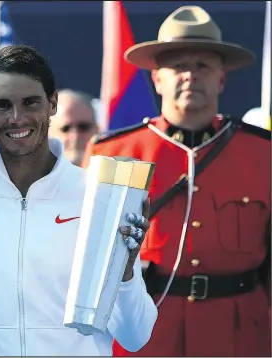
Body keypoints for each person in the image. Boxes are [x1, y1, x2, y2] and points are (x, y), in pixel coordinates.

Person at [0, 45, 158, 356]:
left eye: (30, 102)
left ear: (52, 103)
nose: (17, 118)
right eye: (2, 105)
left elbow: (136, 336)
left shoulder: (95, 195)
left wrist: (126, 272)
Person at [83, 6, 271, 357]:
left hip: (239, 334)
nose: (190, 75)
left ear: (222, 79)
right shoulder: (113, 151)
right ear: (157, 78)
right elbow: (89, 262)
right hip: (146, 332)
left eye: (203, 65)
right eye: (178, 65)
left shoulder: (262, 152)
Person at [48, 89, 99, 167]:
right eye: (65, 129)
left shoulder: (118, 177)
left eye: (83, 127)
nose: (75, 136)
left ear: (97, 130)